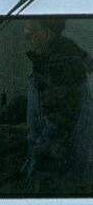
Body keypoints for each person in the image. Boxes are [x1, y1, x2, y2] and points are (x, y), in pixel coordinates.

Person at [23, 17, 93, 195]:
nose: (26, 36)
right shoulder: (61, 62)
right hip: (68, 173)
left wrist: (39, 171)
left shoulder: (59, 67)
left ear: (47, 34)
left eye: (31, 33)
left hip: (59, 177)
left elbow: (58, 128)